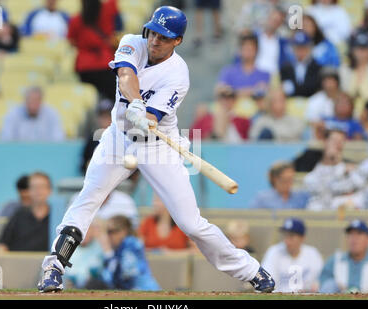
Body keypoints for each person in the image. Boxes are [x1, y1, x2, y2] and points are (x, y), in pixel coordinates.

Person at [37, 6, 275, 293]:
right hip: (118, 137)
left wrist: (144, 114)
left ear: (178, 41)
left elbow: (151, 119)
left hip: (157, 145)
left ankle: (251, 271)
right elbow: (126, 74)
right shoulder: (131, 41)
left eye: (164, 37)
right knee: (89, 196)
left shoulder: (179, 75)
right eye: (153, 32)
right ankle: (54, 266)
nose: (154, 40)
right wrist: (135, 103)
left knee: (191, 223)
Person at [67, 0, 122, 102]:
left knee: (90, 99)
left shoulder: (75, 20)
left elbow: (71, 41)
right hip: (104, 63)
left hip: (84, 67)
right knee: (116, 98)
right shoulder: (106, 11)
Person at [303, 130, 363, 210]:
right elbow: (315, 188)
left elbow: (360, 186)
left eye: (341, 141)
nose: (338, 144)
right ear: (325, 142)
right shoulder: (310, 165)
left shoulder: (348, 167)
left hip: (344, 210)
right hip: (320, 211)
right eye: (334, 140)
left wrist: (340, 163)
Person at [98, 215, 161, 291]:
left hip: (145, 292)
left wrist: (108, 254)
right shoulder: (117, 250)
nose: (108, 236)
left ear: (123, 231)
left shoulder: (132, 244)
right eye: (107, 232)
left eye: (111, 231)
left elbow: (125, 275)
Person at [262, 218, 324, 293]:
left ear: (302, 238)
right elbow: (267, 283)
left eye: (291, 236)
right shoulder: (274, 252)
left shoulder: (312, 254)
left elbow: (320, 281)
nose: (287, 240)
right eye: (285, 236)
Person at [0, 172, 52, 252]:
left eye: (42, 187)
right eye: (34, 187)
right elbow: (2, 245)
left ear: (50, 190)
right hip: (18, 263)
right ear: (29, 191)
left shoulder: (58, 218)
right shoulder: (18, 215)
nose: (38, 191)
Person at [319, 220, 368, 293]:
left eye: (359, 234)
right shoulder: (336, 259)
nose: (354, 238)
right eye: (350, 234)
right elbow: (323, 283)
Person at [0, 86, 65, 142]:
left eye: (36, 100)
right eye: (30, 101)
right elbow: (6, 139)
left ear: (41, 100)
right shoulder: (13, 114)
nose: (33, 105)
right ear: (25, 100)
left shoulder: (52, 114)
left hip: (45, 153)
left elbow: (58, 139)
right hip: (19, 153)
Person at [217, 32, 270, 97]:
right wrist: (253, 91)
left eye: (250, 49)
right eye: (245, 48)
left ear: (257, 50)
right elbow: (220, 91)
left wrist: (232, 92)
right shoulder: (228, 72)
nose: (247, 52)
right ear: (239, 50)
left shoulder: (265, 75)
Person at [63, 221, 107, 289]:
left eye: (88, 230)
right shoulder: (67, 246)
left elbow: (99, 268)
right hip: (69, 286)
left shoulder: (99, 246)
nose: (85, 233)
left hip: (93, 286)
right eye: (83, 230)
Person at [280, 31, 321, 98]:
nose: (300, 51)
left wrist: (293, 88)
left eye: (303, 47)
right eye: (298, 48)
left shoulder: (317, 67)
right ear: (293, 49)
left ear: (309, 48)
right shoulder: (285, 67)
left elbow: (313, 88)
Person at [254, 5, 291, 76]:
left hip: (273, 78)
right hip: (254, 77)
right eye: (273, 19)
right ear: (268, 17)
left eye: (278, 21)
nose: (274, 23)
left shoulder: (283, 43)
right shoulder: (254, 37)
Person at [305, 67, 341, 137]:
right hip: (320, 135)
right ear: (321, 82)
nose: (329, 84)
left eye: (332, 80)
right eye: (326, 81)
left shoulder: (344, 99)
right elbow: (311, 122)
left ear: (337, 82)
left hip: (341, 135)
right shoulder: (314, 100)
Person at [340, 32, 368, 104]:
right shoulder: (344, 69)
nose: (362, 53)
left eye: (365, 49)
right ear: (353, 50)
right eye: (359, 49)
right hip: (347, 110)